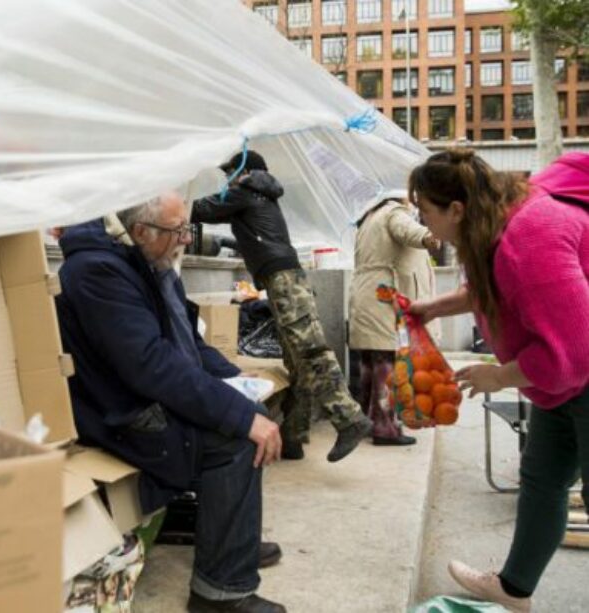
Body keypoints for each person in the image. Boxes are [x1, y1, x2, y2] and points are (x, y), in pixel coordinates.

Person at [55, 192, 287, 613]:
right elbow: (150, 365)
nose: (184, 239)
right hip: (119, 412)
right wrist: (237, 413)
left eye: (187, 228)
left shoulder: (150, 263)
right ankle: (221, 592)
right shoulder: (97, 271)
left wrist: (235, 379)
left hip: (141, 396)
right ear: (140, 231)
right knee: (241, 438)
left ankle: (233, 545)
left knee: (251, 412)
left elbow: (191, 347)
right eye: (176, 230)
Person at [407, 149, 589, 613]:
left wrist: (499, 375)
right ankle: (514, 588)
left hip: (580, 368)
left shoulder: (530, 239)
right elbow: (487, 287)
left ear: (456, 209)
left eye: (425, 212)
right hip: (563, 383)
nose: (423, 224)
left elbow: (574, 349)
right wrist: (433, 308)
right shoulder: (496, 223)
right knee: (543, 478)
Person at [191, 149, 373, 462]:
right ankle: (293, 436)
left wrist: (165, 194)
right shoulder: (260, 193)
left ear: (243, 171)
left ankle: (349, 418)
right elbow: (256, 234)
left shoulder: (244, 190)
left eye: (229, 173)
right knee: (297, 361)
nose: (226, 180)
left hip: (283, 280)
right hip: (285, 279)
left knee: (310, 352)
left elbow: (200, 209)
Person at [348, 191, 440, 446]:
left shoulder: (369, 218)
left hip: (368, 297)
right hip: (384, 299)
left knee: (370, 365)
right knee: (387, 366)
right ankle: (385, 429)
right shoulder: (394, 213)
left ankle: (367, 421)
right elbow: (409, 231)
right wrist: (430, 236)